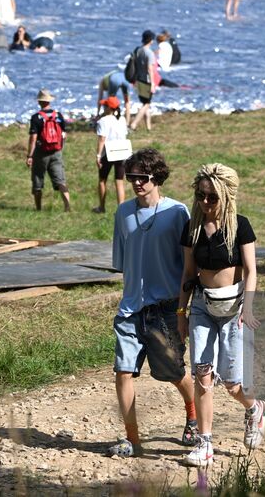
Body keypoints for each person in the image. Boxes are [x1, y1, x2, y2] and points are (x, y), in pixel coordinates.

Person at [175, 163, 265, 467]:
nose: (205, 202)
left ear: (226, 196)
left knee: (232, 384)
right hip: (202, 306)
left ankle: (254, 409)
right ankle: (205, 444)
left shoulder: (240, 226)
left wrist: (248, 307)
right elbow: (188, 273)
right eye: (201, 195)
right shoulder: (193, 228)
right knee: (203, 376)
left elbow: (251, 271)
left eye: (212, 197)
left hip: (234, 309)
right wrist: (181, 311)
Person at [108, 148, 197, 458]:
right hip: (131, 307)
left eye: (142, 177)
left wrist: (184, 306)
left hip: (166, 307)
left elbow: (189, 264)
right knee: (123, 372)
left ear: (157, 178)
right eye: (131, 177)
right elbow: (122, 261)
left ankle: (193, 413)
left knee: (174, 372)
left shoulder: (178, 213)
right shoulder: (122, 213)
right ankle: (132, 439)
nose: (136, 183)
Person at [26, 89, 71, 212]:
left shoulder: (36, 118)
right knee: (61, 181)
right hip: (56, 152)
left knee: (37, 180)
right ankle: (67, 207)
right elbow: (64, 135)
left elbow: (33, 138)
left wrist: (29, 156)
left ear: (39, 102)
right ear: (49, 101)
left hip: (41, 153)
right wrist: (59, 147)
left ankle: (38, 209)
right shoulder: (58, 116)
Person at [95, 96, 129, 213]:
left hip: (109, 152)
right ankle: (121, 210)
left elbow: (102, 139)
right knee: (119, 181)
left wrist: (98, 156)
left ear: (109, 107)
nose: (103, 107)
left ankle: (102, 207)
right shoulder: (122, 119)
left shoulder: (103, 121)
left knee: (102, 180)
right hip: (122, 151)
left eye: (105, 105)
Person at [128, 31, 160, 132]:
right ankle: (134, 124)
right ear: (151, 40)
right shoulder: (149, 53)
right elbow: (150, 69)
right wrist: (153, 83)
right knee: (146, 104)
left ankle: (148, 127)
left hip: (138, 79)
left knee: (145, 103)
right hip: (146, 80)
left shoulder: (138, 50)